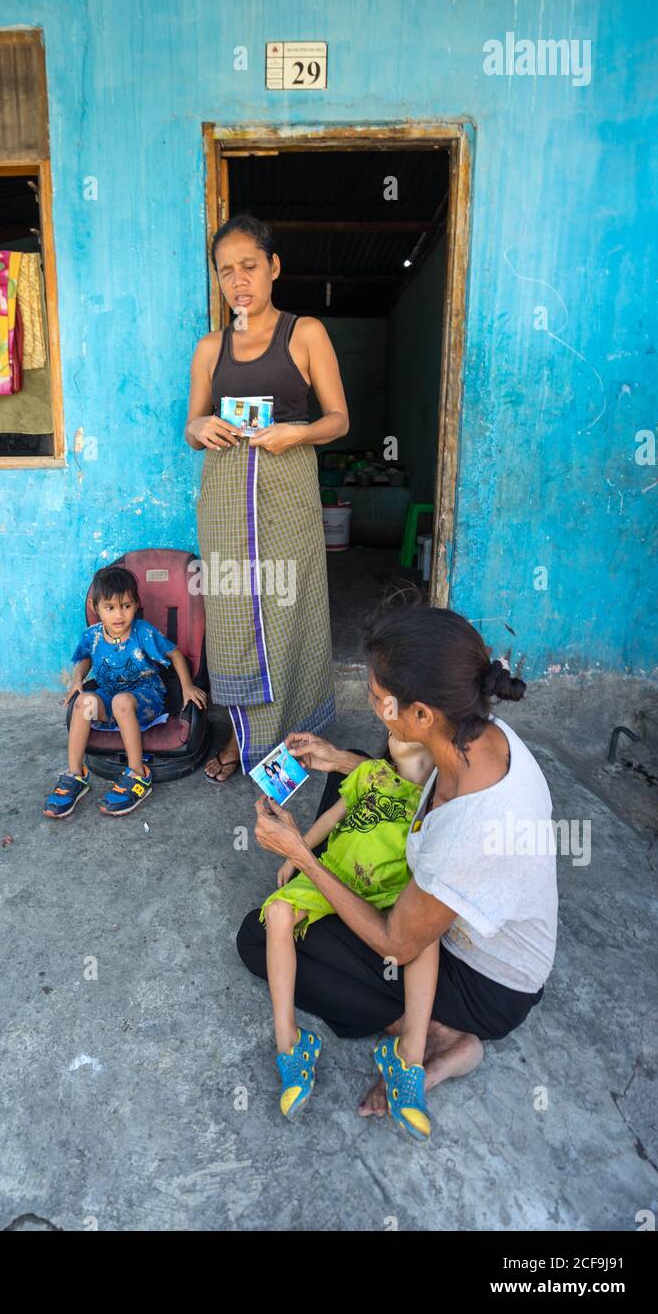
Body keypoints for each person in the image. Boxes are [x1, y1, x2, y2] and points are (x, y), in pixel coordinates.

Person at [238, 601, 558, 1131]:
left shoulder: (468, 834)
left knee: (258, 938)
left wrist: (301, 855)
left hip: (482, 983)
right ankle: (419, 1021)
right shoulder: (479, 734)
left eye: (379, 697)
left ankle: (432, 1034)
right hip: (464, 922)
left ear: (421, 715)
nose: (370, 701)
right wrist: (340, 760)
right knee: (355, 773)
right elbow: (400, 786)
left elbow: (397, 941)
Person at [185, 213, 349, 784]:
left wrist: (296, 432)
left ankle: (291, 744)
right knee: (232, 617)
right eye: (226, 272)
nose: (239, 281)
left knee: (287, 611)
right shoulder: (210, 348)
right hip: (227, 501)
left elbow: (338, 420)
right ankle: (237, 740)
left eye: (249, 266)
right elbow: (191, 424)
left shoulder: (305, 334)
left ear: (274, 267)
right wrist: (200, 428)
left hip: (286, 496)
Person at [258, 733, 438, 1130]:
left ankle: (409, 1059)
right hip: (334, 874)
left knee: (427, 936)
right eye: (389, 728)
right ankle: (290, 1045)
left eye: (403, 724)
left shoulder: (432, 804)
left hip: (386, 894)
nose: (392, 730)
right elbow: (330, 817)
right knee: (279, 913)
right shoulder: (370, 773)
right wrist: (297, 850)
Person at [43, 565, 207, 818]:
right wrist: (78, 679)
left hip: (146, 697)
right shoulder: (93, 636)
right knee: (84, 701)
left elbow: (174, 653)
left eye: (127, 606)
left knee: (121, 702)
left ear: (136, 604)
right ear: (94, 606)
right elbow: (85, 658)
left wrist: (187, 686)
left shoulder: (143, 632)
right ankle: (76, 775)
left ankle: (137, 774)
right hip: (110, 695)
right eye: (110, 608)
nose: (119, 615)